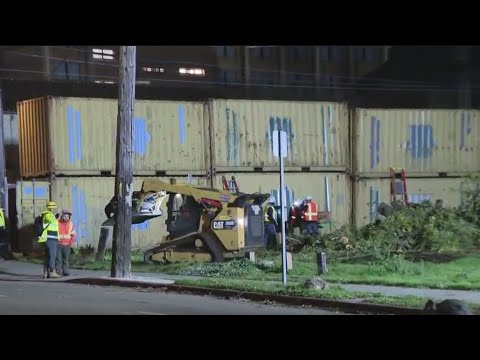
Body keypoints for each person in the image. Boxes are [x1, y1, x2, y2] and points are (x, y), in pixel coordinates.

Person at [38, 201, 60, 278]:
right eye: (53, 208)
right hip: (50, 238)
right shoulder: (47, 214)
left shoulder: (49, 215)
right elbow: (50, 220)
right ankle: (52, 271)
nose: (54, 209)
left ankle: (45, 272)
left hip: (50, 238)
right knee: (52, 255)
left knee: (48, 256)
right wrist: (55, 216)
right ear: (51, 208)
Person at [56, 209, 76, 276]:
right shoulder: (57, 223)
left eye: (67, 216)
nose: (65, 218)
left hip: (67, 245)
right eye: (64, 216)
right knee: (58, 259)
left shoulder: (71, 224)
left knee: (65, 259)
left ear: (69, 217)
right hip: (58, 244)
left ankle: (66, 271)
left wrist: (71, 242)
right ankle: (58, 271)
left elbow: (73, 234)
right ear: (61, 216)